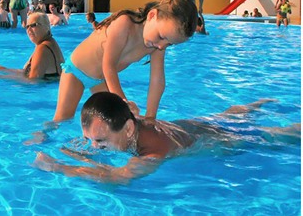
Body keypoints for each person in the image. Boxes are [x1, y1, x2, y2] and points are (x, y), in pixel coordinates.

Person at [34, 92, 300, 184]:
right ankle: (259, 104)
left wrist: (59, 167)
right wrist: (87, 149)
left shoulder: (151, 151)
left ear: (128, 129)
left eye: (101, 142)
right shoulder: (130, 120)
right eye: (89, 139)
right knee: (227, 114)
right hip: (191, 125)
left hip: (216, 142)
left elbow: (116, 179)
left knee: (272, 136)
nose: (94, 147)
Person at [53, 0, 198, 122]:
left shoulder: (156, 45)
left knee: (116, 123)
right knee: (62, 119)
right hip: (77, 71)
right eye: (161, 36)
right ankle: (41, 140)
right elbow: (108, 65)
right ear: (152, 15)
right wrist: (124, 103)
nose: (162, 46)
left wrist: (150, 117)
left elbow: (157, 81)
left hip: (101, 81)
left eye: (169, 43)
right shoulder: (126, 24)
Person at [0, 12, 65, 81]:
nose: (29, 29)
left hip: (42, 90)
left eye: (34, 25)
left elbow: (33, 81)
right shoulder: (48, 43)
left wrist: (5, 79)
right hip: (47, 84)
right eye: (27, 26)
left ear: (46, 27)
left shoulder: (43, 48)